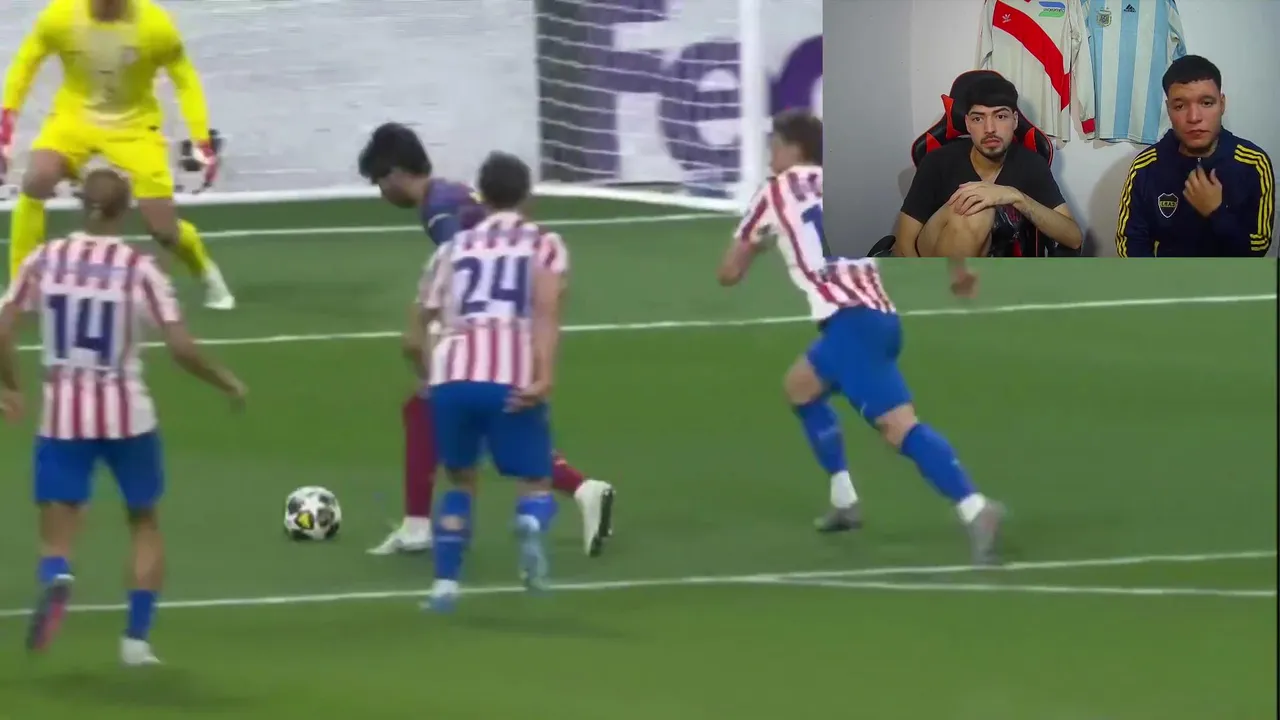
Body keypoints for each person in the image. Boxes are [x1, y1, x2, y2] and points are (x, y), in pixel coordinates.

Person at [718, 109, 1005, 565]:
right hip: (876, 318)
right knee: (800, 387)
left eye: (775, 146)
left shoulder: (772, 192)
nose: (770, 155)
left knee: (898, 428)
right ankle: (844, 500)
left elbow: (729, 273)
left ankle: (975, 508)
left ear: (794, 149)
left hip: (851, 326)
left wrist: (759, 246)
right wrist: (959, 270)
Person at [0, 168, 245, 664]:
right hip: (128, 416)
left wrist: (11, 387)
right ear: (125, 209)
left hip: (63, 415)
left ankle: (57, 575)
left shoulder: (44, 260)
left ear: (79, 204)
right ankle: (136, 640)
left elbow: (3, 327)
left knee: (58, 527)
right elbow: (181, 348)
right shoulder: (139, 269)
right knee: (144, 521)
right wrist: (226, 381)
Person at [357, 123, 616, 558]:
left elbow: (461, 269)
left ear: (396, 173)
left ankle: (423, 528)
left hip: (486, 326)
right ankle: (581, 489)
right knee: (454, 415)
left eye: (379, 181)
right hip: (504, 318)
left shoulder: (440, 212)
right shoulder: (450, 194)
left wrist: (437, 344)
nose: (381, 192)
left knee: (456, 414)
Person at [0, 0, 235, 309]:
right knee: (37, 178)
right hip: (74, 119)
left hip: (135, 127)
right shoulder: (60, 16)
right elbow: (25, 63)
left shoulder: (155, 26)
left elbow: (185, 78)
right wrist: (7, 120)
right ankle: (20, 287)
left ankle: (206, 272)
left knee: (163, 230)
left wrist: (201, 138)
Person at [410, 151, 565, 610]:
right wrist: (544, 376)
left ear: (481, 197)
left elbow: (413, 335)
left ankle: (444, 589)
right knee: (535, 479)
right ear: (527, 197)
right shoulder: (544, 244)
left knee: (460, 482)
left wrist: (431, 379)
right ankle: (530, 522)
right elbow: (546, 313)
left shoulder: (452, 248)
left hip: (452, 376)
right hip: (510, 375)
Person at [892, 75, 1083, 257]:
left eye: (1000, 116)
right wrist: (917, 280)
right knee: (977, 210)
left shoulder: (1031, 164)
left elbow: (1074, 238)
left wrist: (1017, 197)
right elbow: (903, 245)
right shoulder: (937, 162)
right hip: (933, 262)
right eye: (978, 118)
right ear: (967, 124)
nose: (989, 129)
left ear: (1015, 120)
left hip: (992, 272)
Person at [1115, 55, 1275, 257]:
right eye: (1180, 106)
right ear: (1169, 110)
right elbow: (1129, 241)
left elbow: (1259, 246)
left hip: (1229, 277)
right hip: (1165, 277)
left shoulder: (1253, 163)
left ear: (1222, 104)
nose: (1194, 117)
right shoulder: (1145, 167)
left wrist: (1216, 212)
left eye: (1206, 103)